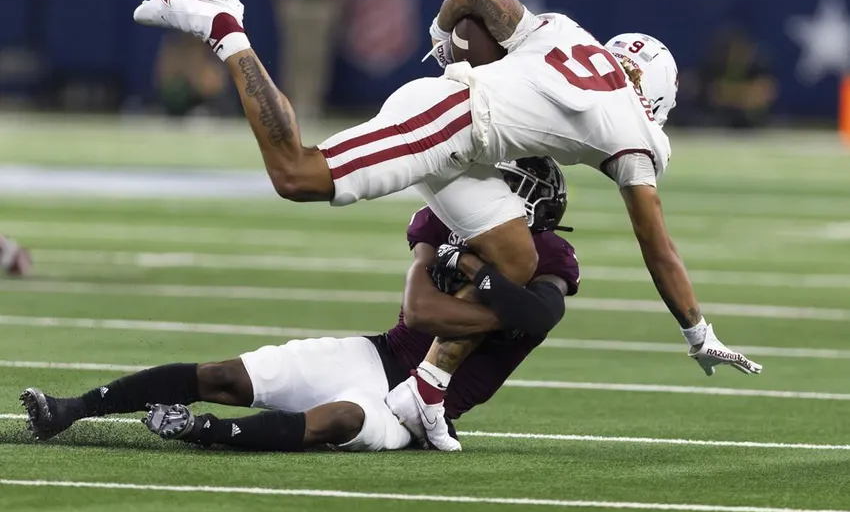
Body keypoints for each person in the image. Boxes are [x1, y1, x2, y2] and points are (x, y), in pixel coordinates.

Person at [132, 0, 762, 450]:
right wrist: (697, 333)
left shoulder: (566, 35)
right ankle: (225, 29)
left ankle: (429, 387)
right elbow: (658, 247)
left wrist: (443, 39)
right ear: (653, 93)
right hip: (449, 123)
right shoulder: (633, 127)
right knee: (297, 174)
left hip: (470, 142)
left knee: (517, 255)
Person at [21, 157, 579, 453]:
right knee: (222, 373)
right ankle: (71, 409)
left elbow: (541, 315)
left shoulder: (551, 256)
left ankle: (199, 431)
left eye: (506, 187)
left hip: (414, 412)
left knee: (337, 420)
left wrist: (474, 270)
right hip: (376, 355)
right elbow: (420, 311)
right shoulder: (448, 219)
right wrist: (500, 304)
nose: (489, 194)